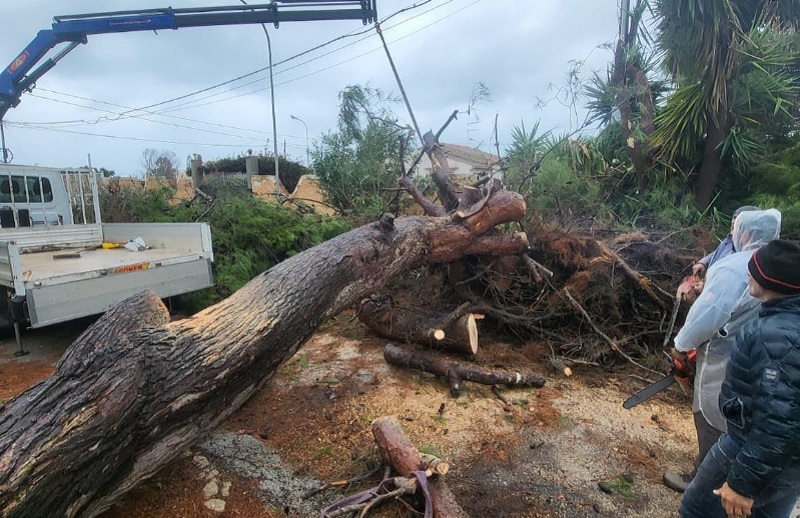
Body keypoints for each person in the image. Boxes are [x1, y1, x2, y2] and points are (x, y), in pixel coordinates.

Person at [663, 209, 782, 493]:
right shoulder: (779, 266)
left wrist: (681, 347)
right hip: (765, 360)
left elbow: (710, 313)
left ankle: (705, 480)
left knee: (711, 413)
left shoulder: (734, 267)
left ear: (744, 233)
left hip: (724, 356)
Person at [680, 239, 800, 518]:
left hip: (749, 448)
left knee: (696, 509)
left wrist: (742, 484)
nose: (748, 276)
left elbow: (779, 422)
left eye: (753, 272)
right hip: (791, 463)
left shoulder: (774, 335)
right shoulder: (783, 323)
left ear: (771, 281)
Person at [691, 206, 760, 278]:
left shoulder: (752, 257)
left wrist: (704, 286)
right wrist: (704, 262)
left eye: (736, 227)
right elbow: (718, 253)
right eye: (732, 226)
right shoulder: (729, 241)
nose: (733, 231)